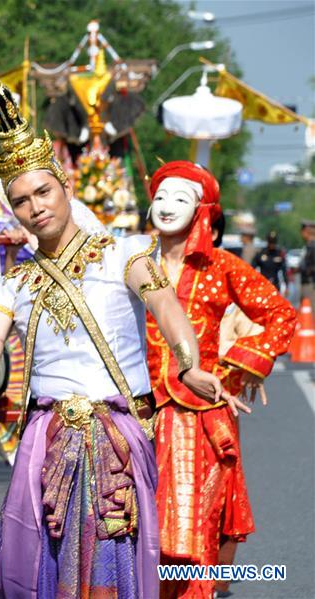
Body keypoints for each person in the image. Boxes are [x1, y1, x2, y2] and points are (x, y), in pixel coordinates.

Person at [0, 73, 238, 599]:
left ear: (66, 186)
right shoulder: (12, 284)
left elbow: (164, 304)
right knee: (43, 566)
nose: (36, 206)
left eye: (43, 191)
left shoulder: (124, 253)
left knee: (110, 566)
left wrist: (188, 363)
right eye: (21, 200)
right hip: (47, 439)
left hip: (117, 436)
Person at [145, 161, 297, 599]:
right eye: (159, 197)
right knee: (133, 526)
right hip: (136, 413)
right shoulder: (132, 261)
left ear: (202, 211)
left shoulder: (221, 266)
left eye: (180, 198)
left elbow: (281, 315)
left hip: (198, 418)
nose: (166, 206)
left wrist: (231, 369)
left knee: (192, 525)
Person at [300, 219, 315, 307]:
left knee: (309, 310)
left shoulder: (313, 247)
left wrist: (307, 270)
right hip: (307, 283)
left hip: (311, 284)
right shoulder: (308, 246)